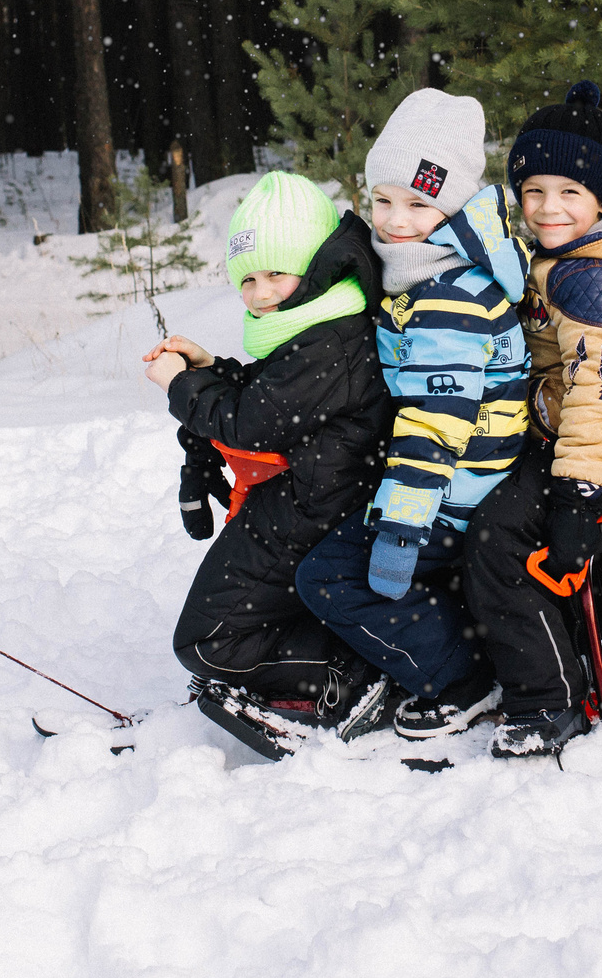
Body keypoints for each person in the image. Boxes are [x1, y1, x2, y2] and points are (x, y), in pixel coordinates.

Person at [293, 89, 531, 742]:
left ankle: (461, 679)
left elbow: (435, 422)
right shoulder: (436, 269)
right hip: (463, 477)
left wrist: (401, 528)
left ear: (452, 205)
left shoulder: (446, 299)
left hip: (453, 488)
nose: (396, 220)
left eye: (418, 203)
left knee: (328, 577)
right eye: (383, 200)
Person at [146, 170, 394, 757]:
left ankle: (353, 671)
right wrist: (214, 367)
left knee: (207, 642)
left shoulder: (330, 336)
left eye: (276, 274)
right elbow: (278, 394)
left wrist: (182, 387)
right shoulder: (323, 320)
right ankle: (332, 661)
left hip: (315, 510)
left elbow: (250, 421)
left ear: (314, 266)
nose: (260, 293)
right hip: (313, 500)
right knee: (215, 631)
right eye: (247, 279)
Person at [463, 81, 602, 759]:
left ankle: (548, 699)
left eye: (570, 193)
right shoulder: (565, 258)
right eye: (534, 192)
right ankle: (588, 623)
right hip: (573, 440)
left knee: (498, 533)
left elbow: (598, 389)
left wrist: (577, 490)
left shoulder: (596, 278)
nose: (548, 207)